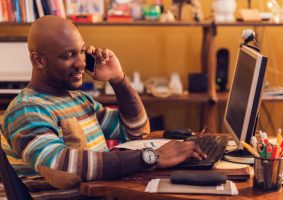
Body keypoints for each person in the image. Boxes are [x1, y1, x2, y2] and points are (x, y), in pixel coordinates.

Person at [1, 16, 206, 199]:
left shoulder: (79, 100)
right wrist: (152, 157)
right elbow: (61, 165)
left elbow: (135, 130)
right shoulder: (26, 110)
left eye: (81, 52)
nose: (81, 63)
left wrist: (118, 79)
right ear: (39, 60)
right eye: (68, 55)